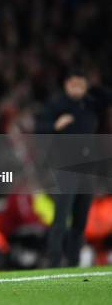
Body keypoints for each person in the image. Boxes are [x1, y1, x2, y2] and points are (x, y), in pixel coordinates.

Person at [37, 67, 112, 267]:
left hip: (87, 169)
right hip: (66, 168)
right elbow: (38, 128)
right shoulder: (57, 104)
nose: (77, 88)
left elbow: (107, 97)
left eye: (81, 84)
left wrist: (93, 85)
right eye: (73, 84)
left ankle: (73, 262)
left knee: (80, 219)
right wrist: (54, 126)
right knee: (61, 217)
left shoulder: (91, 104)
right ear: (66, 85)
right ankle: (53, 262)